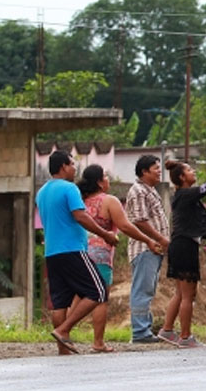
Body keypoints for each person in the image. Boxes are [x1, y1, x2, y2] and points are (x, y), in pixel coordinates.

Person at [38, 151, 118, 355]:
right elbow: (81, 216)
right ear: (64, 166)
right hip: (72, 249)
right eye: (72, 164)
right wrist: (105, 234)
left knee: (60, 302)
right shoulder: (69, 188)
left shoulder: (42, 192)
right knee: (99, 290)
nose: (75, 168)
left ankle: (63, 350)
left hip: (52, 252)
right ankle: (64, 330)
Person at [157, 148, 206, 348]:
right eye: (190, 170)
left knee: (180, 293)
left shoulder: (184, 197)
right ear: (182, 177)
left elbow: (195, 225)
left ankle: (167, 330)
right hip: (185, 247)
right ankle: (185, 337)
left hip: (180, 244)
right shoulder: (186, 194)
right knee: (187, 294)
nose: (194, 172)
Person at [75, 164, 160, 353]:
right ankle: (98, 342)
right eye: (105, 177)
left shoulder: (81, 201)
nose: (108, 180)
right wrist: (148, 240)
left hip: (79, 252)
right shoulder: (109, 201)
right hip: (101, 254)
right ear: (99, 181)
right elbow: (125, 226)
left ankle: (65, 332)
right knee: (101, 297)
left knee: (80, 295)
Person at [125, 154, 170, 343]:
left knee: (147, 289)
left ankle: (145, 329)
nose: (159, 172)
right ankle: (140, 331)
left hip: (153, 248)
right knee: (142, 289)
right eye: (155, 169)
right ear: (144, 171)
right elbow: (140, 221)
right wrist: (160, 238)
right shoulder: (139, 191)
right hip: (145, 247)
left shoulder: (149, 190)